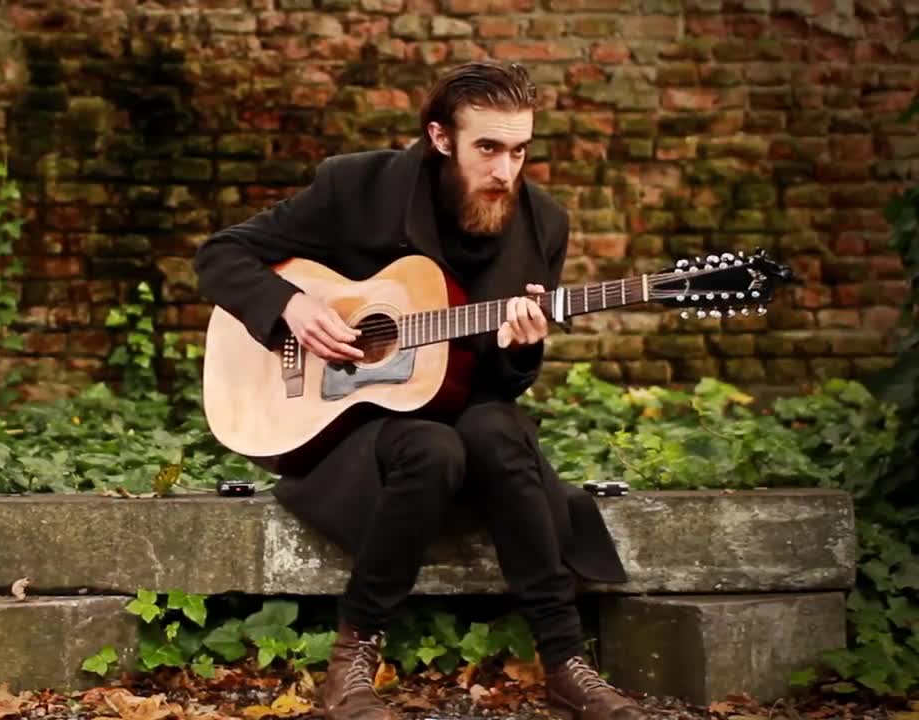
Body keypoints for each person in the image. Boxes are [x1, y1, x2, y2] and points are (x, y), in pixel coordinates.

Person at [193, 60, 647, 720]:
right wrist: (289, 306)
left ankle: (566, 663)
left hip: (462, 426)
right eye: (487, 148)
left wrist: (523, 346)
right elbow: (221, 255)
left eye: (519, 150)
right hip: (346, 435)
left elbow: (496, 387)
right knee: (432, 449)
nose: (504, 172)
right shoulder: (357, 187)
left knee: (499, 430)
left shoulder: (542, 225)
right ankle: (354, 656)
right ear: (440, 138)